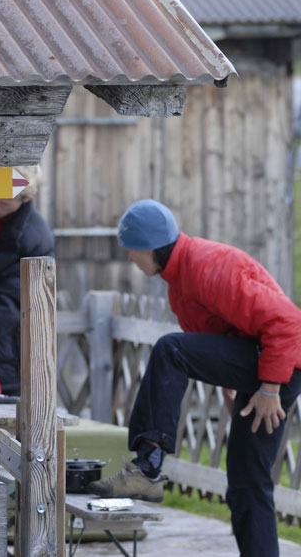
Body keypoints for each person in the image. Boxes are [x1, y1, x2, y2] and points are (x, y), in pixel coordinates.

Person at [88, 199, 301, 557]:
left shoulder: (208, 267)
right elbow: (222, 339)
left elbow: (288, 323)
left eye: (131, 252)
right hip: (265, 367)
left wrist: (268, 388)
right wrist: (233, 384)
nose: (131, 260)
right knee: (246, 485)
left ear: (149, 248)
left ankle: (148, 466)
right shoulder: (180, 282)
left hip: (279, 368)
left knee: (170, 349)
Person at [0, 165, 55, 397]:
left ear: (27, 199)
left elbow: (12, 304)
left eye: (4, 203)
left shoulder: (34, 238)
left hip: (5, 348)